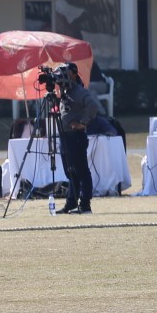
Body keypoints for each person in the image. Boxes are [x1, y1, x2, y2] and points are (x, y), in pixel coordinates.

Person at [52, 64, 98, 214]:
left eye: (66, 72)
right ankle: (71, 203)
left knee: (81, 171)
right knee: (70, 172)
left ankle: (85, 204)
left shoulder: (78, 91)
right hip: (65, 137)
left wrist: (82, 122)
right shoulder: (66, 92)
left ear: (73, 73)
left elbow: (92, 105)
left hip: (75, 137)